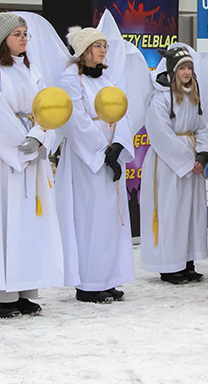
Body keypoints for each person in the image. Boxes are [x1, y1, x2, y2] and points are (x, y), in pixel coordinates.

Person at [0, 10, 63, 318]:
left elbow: (47, 106)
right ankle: (1, 295)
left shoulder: (32, 68)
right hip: (4, 156)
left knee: (28, 223)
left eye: (25, 34)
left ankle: (25, 288)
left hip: (32, 152)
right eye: (17, 34)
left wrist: (39, 136)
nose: (23, 39)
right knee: (5, 219)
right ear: (2, 40)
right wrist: (19, 143)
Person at [55, 26, 135, 303]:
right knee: (90, 218)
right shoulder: (70, 80)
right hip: (86, 160)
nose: (103, 50)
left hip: (109, 153)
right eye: (97, 45)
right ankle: (88, 282)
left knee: (111, 218)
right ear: (83, 51)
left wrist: (119, 146)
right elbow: (75, 121)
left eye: (104, 45)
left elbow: (122, 112)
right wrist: (101, 152)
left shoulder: (106, 79)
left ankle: (108, 277)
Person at [140, 47, 208, 284]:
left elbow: (201, 127)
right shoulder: (159, 99)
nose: (187, 72)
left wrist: (203, 155)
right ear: (172, 71)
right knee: (171, 212)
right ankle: (170, 266)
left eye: (189, 68)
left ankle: (188, 261)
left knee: (190, 213)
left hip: (191, 163)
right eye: (182, 68)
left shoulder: (192, 96)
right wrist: (187, 160)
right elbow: (160, 135)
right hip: (168, 164)